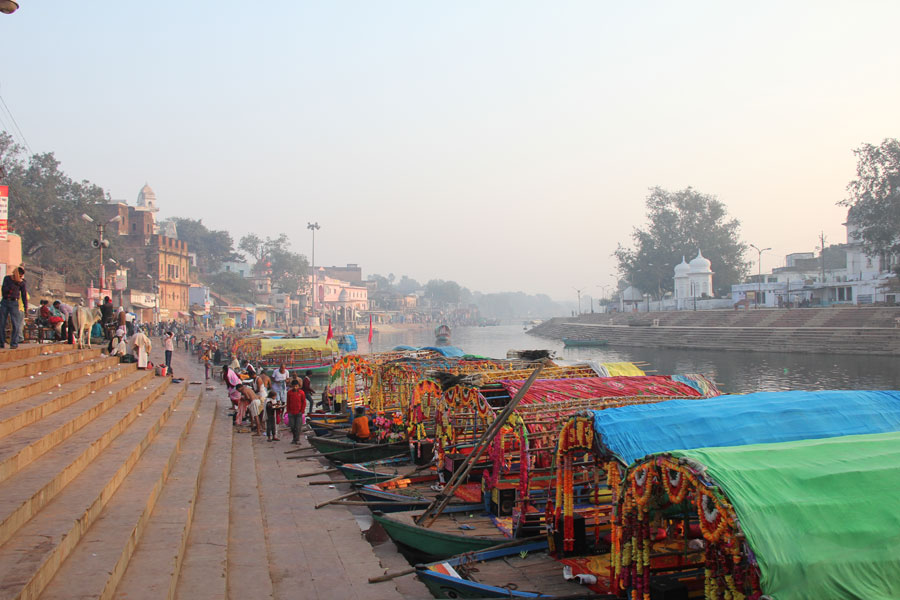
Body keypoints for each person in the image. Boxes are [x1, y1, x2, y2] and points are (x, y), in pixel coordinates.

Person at [0, 266, 27, 349]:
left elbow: (23, 295)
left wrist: (26, 307)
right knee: (2, 323)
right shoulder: (7, 279)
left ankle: (14, 343)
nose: (21, 277)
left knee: (15, 323)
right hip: (4, 301)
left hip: (14, 303)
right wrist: (14, 283)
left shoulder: (22, 283)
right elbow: (4, 290)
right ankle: (1, 342)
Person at [286, 379, 306, 444]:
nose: (295, 387)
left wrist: (302, 411)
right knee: (292, 426)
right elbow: (288, 402)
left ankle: (297, 439)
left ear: (298, 386)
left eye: (296, 386)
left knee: (298, 427)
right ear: (292, 386)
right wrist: (288, 411)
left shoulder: (302, 392)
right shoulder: (289, 393)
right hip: (291, 412)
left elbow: (304, 402)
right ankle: (294, 438)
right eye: (294, 386)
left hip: (299, 412)